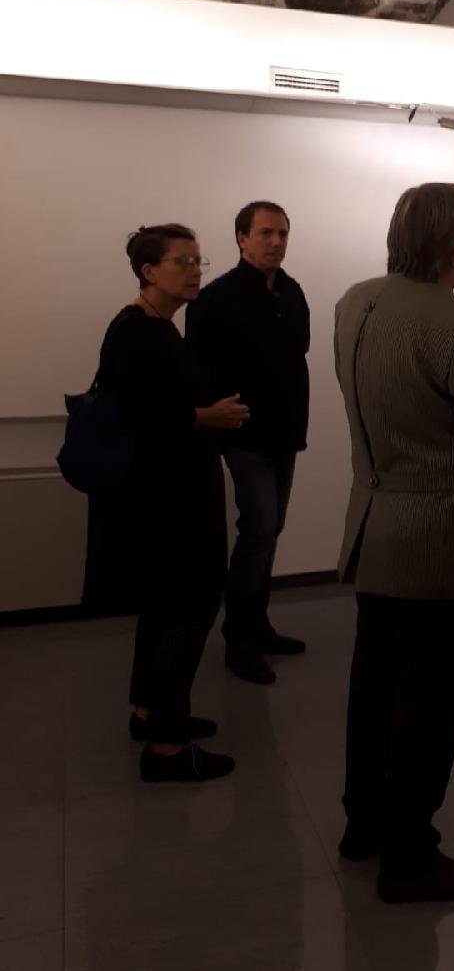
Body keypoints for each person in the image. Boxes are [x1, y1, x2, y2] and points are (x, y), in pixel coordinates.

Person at [334, 182, 454, 904]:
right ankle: (410, 856)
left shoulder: (355, 301)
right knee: (430, 703)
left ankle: (364, 825)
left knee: (374, 688)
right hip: (436, 540)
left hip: (372, 526)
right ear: (451, 245)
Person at [85, 224, 249, 782]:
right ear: (149, 271)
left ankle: (151, 713)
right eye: (183, 261)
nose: (195, 270)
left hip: (171, 492)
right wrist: (206, 416)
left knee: (164, 609)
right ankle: (167, 749)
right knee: (189, 606)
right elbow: (136, 414)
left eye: (199, 261)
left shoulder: (154, 327)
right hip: (168, 499)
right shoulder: (138, 332)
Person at [186, 201, 310, 685]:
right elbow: (197, 368)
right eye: (265, 233)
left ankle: (256, 626)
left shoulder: (292, 291)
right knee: (258, 529)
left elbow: (296, 353)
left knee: (270, 529)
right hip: (244, 434)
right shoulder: (215, 298)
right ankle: (240, 639)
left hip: (285, 433)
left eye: (282, 233)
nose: (276, 242)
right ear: (241, 237)